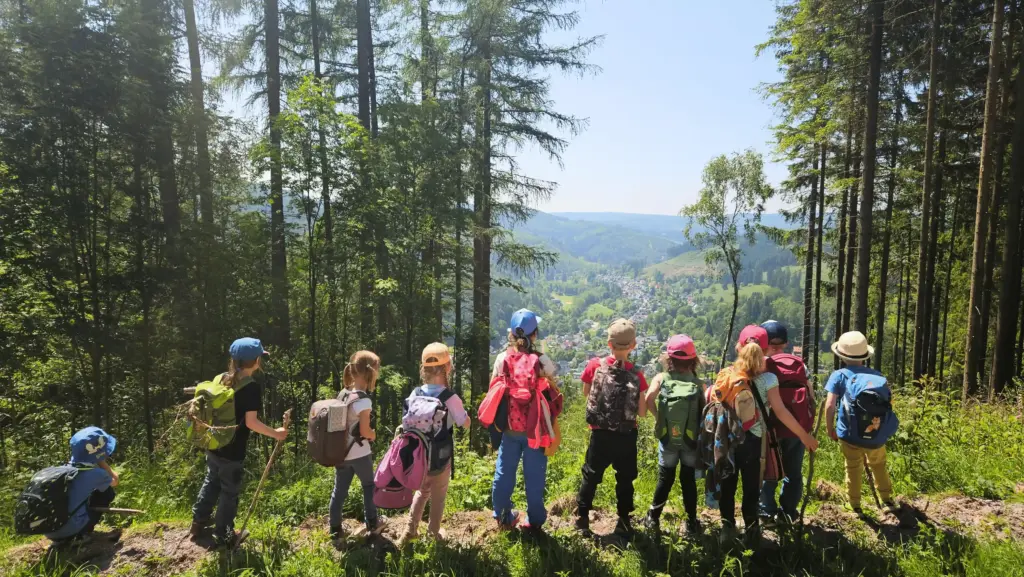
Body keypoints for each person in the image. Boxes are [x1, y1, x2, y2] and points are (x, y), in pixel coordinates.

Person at [712, 326, 819, 546]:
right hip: (754, 442)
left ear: (739, 347)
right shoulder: (769, 379)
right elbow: (781, 412)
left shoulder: (726, 374)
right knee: (752, 488)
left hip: (728, 440)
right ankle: (752, 532)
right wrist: (804, 436)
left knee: (728, 485)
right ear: (766, 350)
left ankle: (727, 528)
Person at [191, 338, 287, 548]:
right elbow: (252, 423)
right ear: (256, 361)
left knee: (211, 481)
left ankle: (198, 523)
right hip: (233, 449)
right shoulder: (250, 387)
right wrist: (276, 434)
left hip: (214, 443)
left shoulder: (221, 378)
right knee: (229, 491)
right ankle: (224, 534)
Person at [490, 309, 562, 531]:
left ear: (511, 334)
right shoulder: (542, 360)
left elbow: (493, 388)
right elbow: (553, 387)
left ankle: (503, 517)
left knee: (504, 472)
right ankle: (535, 521)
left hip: (509, 428)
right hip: (536, 429)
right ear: (535, 334)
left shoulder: (502, 359)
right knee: (535, 475)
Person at [575, 318, 648, 538]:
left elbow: (586, 393)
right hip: (626, 434)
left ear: (609, 343)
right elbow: (642, 412)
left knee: (591, 474)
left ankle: (582, 518)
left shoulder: (595, 365)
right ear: (633, 345)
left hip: (600, 432)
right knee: (625, 477)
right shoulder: (637, 374)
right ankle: (623, 521)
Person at [399, 343, 471, 546]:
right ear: (447, 367)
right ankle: (433, 534)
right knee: (438, 496)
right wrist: (466, 418)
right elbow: (463, 423)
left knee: (422, 492)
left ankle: (410, 530)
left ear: (424, 369)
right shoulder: (450, 397)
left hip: (418, 456)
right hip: (440, 457)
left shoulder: (415, 394)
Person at [824, 331, 899, 516]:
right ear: (865, 355)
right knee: (879, 464)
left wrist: (830, 429)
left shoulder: (839, 375)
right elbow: (888, 404)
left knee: (852, 466)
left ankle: (855, 504)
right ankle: (887, 499)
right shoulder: (877, 376)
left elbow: (830, 405)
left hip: (849, 434)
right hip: (877, 434)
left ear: (841, 356)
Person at [642, 334, 705, 536]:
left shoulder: (661, 378)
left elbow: (648, 399)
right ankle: (691, 522)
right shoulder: (698, 383)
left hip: (668, 437)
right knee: (688, 480)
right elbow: (705, 410)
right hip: (690, 439)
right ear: (693, 359)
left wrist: (659, 418)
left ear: (669, 359)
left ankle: (653, 518)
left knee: (665, 478)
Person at [758, 320, 814, 525]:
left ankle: (766, 512)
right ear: (785, 343)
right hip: (797, 429)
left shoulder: (762, 365)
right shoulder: (799, 365)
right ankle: (788, 513)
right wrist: (806, 428)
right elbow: (810, 396)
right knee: (794, 472)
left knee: (768, 470)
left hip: (770, 429)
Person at [328, 351, 385, 541]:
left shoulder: (343, 394)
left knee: (339, 490)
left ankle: (335, 530)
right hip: (360, 453)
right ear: (370, 373)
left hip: (341, 452)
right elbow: (365, 431)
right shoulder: (363, 400)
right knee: (369, 485)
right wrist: (373, 434)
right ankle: (373, 523)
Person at [45, 427, 120, 546]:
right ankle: (79, 533)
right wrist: (101, 461)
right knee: (108, 492)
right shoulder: (97, 474)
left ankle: (61, 537)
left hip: (50, 530)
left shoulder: (63, 470)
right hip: (73, 529)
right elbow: (115, 481)